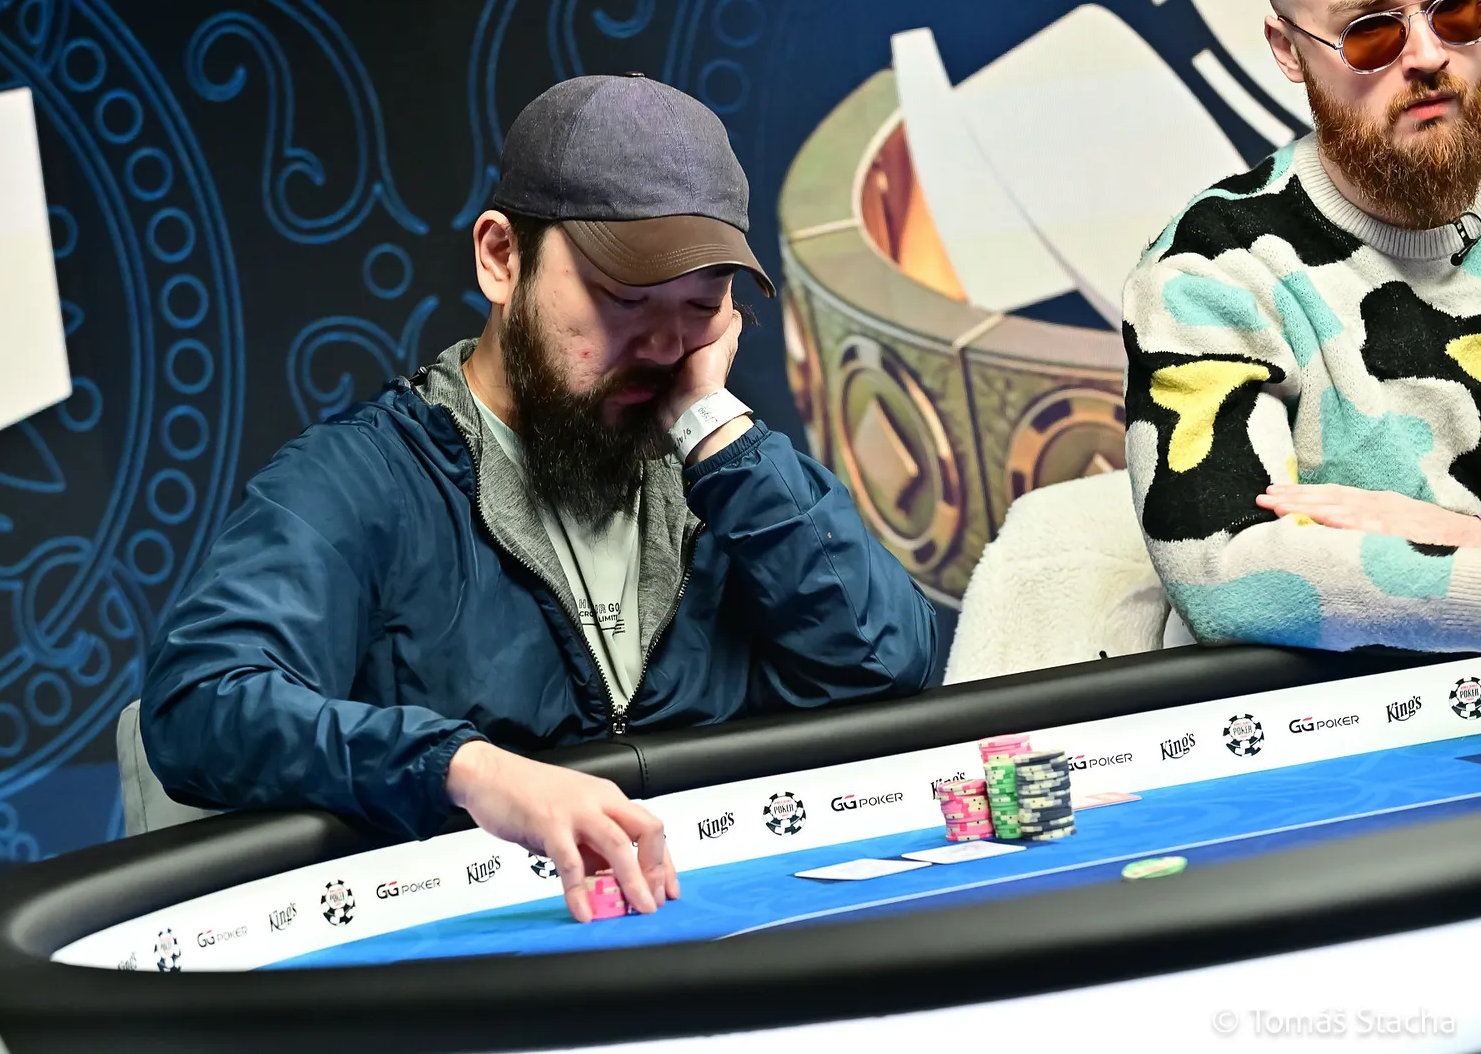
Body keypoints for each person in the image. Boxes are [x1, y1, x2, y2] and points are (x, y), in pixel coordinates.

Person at [140, 74, 940, 922]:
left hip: (716, 930)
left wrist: (714, 426)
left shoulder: (726, 475)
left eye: (701, 308)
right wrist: (467, 768)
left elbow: (885, 673)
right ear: (501, 258)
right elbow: (203, 699)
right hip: (480, 958)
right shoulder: (364, 477)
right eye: (623, 298)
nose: (664, 345)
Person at [1123, 0, 1481, 652]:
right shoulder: (1212, 268)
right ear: (1289, 49)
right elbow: (1227, 578)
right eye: (1372, 32)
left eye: (1457, 9)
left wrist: (1463, 539)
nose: (1429, 55)